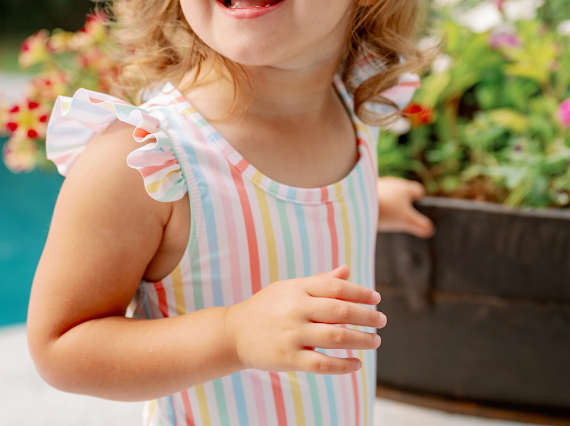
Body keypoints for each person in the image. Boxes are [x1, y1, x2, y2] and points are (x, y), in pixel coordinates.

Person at [28, 0, 434, 425]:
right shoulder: (144, 160)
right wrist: (232, 335)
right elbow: (60, 345)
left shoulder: (353, 107)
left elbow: (275, 211)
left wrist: (366, 198)